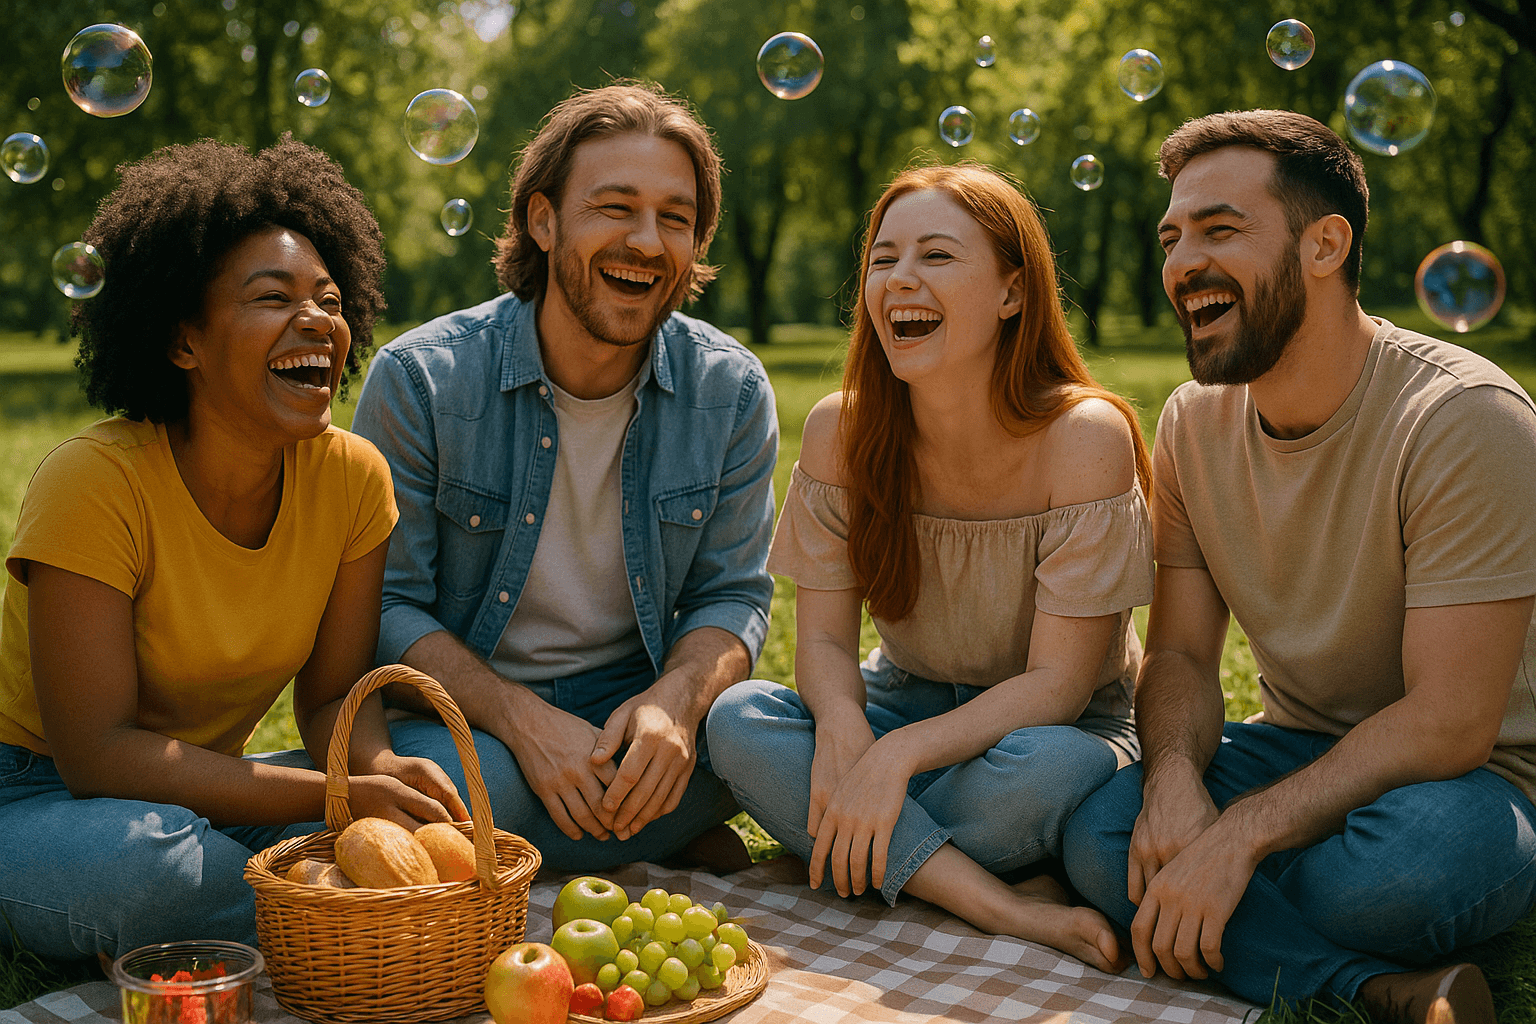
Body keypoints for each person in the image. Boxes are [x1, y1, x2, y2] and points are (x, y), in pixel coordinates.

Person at [1061, 110, 1536, 1024]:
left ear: (1325, 245)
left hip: (1475, 787)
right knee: (1099, 834)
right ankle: (1377, 990)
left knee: (1399, 875)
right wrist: (1172, 788)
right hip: (1296, 748)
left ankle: (1234, 907)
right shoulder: (1193, 423)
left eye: (1220, 229)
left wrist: (1238, 833)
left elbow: (1449, 724)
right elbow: (1186, 660)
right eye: (1172, 236)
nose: (1182, 261)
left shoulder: (1464, 419)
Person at [0, 138, 468, 962]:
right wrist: (335, 799)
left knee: (444, 799)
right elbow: (96, 754)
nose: (317, 319)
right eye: (273, 296)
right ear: (183, 341)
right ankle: (322, 914)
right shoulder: (93, 482)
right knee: (152, 874)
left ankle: (311, 907)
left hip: (198, 794)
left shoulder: (353, 479)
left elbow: (330, 704)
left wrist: (382, 772)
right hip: (38, 795)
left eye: (329, 298)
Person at [705, 163, 1153, 972]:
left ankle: (847, 848)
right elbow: (828, 648)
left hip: (1052, 729)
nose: (899, 280)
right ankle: (996, 898)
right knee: (739, 719)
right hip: (900, 701)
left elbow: (1059, 685)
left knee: (1050, 772)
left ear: (1014, 292)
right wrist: (848, 730)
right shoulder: (841, 430)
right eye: (883, 259)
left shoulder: (1084, 437)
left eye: (937, 257)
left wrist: (891, 762)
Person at [350, 82, 777, 873]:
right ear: (543, 221)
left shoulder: (734, 390)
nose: (647, 242)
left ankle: (551, 844)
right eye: (615, 208)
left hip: (633, 712)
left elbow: (733, 594)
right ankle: (648, 835)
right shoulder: (421, 380)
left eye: (674, 219)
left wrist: (676, 706)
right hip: (468, 719)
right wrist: (522, 721)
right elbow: (386, 604)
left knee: (759, 739)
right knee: (474, 795)